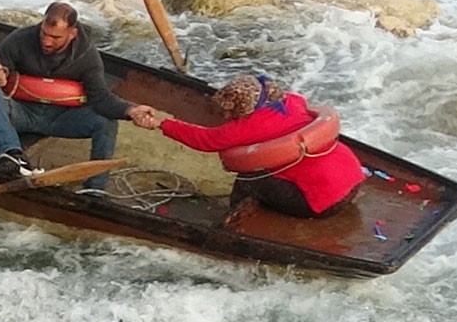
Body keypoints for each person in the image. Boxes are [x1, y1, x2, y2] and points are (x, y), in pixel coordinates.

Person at [0, 1, 151, 192]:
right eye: (44, 34)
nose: (47, 41)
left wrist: (130, 110)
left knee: (106, 122)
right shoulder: (21, 39)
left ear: (72, 33)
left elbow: (101, 99)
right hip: (22, 113)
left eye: (55, 37)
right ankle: (13, 156)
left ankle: (94, 190)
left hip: (61, 119)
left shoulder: (87, 56)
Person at [134, 74, 364, 218]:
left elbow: (205, 140)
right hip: (353, 183)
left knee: (248, 177)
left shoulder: (246, 128)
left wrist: (161, 123)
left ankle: (232, 220)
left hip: (322, 202)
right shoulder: (293, 102)